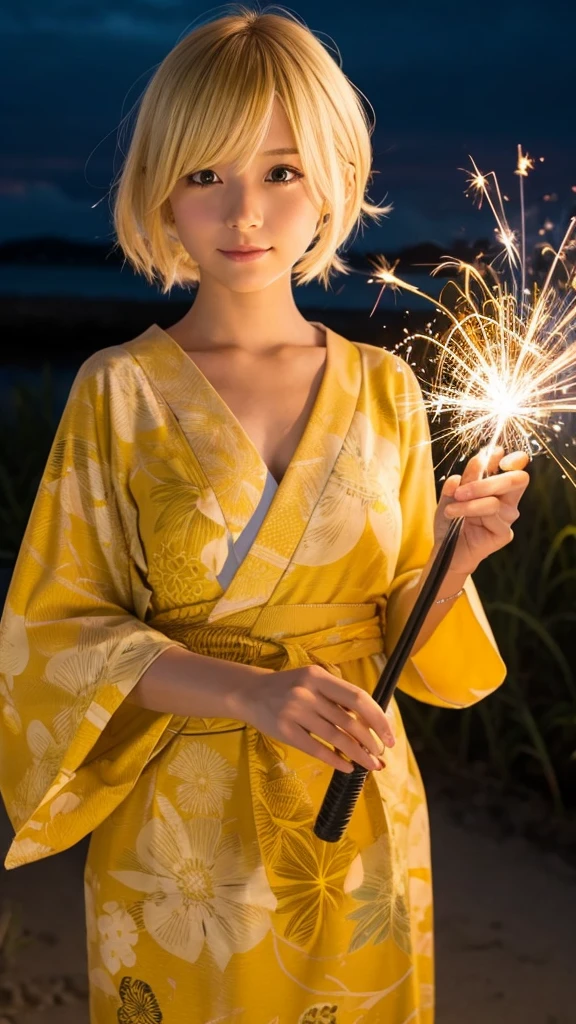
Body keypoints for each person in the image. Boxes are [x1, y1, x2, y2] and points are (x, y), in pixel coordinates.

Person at [0, 6, 530, 1023]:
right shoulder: (120, 391)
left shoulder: (385, 390)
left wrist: (457, 555)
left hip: (358, 804)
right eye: (207, 174)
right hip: (179, 839)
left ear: (332, 179)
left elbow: (397, 633)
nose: (245, 210)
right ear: (162, 188)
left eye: (282, 171)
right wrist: (248, 691)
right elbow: (50, 634)